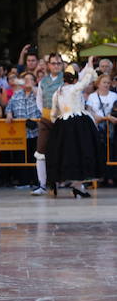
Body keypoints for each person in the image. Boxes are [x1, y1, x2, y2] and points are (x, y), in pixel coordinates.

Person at [46, 58, 103, 197]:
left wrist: (59, 126)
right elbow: (88, 79)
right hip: (79, 125)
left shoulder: (57, 92)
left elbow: (53, 114)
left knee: (66, 154)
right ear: (74, 79)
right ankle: (78, 186)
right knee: (82, 152)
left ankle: (75, 186)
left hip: (63, 124)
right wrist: (90, 64)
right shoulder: (75, 88)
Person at [33, 54, 64, 196]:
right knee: (41, 151)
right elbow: (39, 99)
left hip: (62, 119)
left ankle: (62, 181)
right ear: (48, 65)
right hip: (46, 119)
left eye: (58, 63)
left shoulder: (66, 80)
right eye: (53, 63)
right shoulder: (43, 82)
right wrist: (45, 113)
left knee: (63, 150)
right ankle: (42, 184)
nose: (56, 66)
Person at [87, 73, 117, 185]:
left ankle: (110, 177)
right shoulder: (92, 96)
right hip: (97, 126)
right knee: (99, 151)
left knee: (112, 152)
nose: (106, 85)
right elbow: (89, 110)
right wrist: (95, 117)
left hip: (111, 127)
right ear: (98, 84)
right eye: (104, 82)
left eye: (108, 83)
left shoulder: (114, 95)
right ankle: (99, 176)